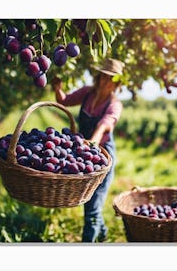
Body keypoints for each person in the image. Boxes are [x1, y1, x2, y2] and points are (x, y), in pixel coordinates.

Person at [51, 58, 125, 242]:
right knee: (90, 203)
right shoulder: (86, 94)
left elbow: (106, 124)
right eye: (105, 77)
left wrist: (93, 142)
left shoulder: (115, 104)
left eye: (113, 79)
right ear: (98, 77)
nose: (108, 82)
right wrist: (57, 87)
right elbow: (65, 101)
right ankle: (103, 234)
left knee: (93, 205)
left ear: (118, 83)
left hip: (101, 156)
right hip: (83, 154)